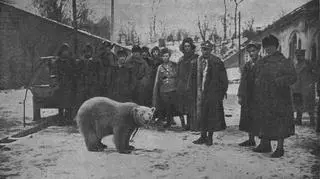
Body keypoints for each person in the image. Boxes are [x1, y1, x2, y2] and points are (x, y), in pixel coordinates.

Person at [251, 35, 296, 158]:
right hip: (265, 97)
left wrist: (279, 81)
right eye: (266, 47)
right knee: (265, 120)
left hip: (280, 98)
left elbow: (293, 77)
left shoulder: (284, 61)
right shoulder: (262, 61)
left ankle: (280, 148)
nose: (268, 49)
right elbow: (256, 75)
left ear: (276, 47)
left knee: (280, 123)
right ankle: (265, 145)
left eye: (271, 47)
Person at [192, 41, 228, 146]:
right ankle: (202, 136)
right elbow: (194, 77)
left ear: (211, 50)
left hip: (213, 93)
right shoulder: (198, 62)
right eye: (203, 49)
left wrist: (222, 92)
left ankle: (210, 137)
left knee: (211, 115)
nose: (205, 51)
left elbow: (224, 79)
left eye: (207, 49)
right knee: (202, 115)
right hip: (201, 92)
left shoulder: (217, 62)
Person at [237, 42, 262, 146]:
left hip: (260, 94)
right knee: (249, 116)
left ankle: (263, 142)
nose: (252, 53)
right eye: (250, 51)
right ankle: (251, 139)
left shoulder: (263, 63)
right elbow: (243, 81)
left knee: (260, 117)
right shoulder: (247, 65)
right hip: (248, 95)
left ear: (258, 51)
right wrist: (240, 95)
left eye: (254, 51)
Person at [176, 37, 199, 130]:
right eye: (185, 46)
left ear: (192, 47)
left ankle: (194, 125)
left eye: (188, 46)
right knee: (184, 106)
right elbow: (178, 73)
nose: (187, 48)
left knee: (192, 106)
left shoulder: (196, 58)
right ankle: (186, 125)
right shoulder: (181, 59)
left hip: (193, 85)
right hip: (182, 85)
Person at [153, 48, 179, 128]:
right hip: (163, 90)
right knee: (166, 106)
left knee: (172, 105)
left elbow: (177, 76)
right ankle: (168, 121)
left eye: (167, 56)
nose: (165, 58)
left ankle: (171, 120)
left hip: (173, 88)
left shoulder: (174, 65)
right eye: (163, 56)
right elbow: (157, 80)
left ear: (169, 56)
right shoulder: (160, 67)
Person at [291, 49, 317, 126]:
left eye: (300, 55)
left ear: (303, 55)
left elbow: (316, 73)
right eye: (297, 55)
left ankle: (312, 120)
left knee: (309, 104)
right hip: (297, 87)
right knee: (298, 104)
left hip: (307, 87)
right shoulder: (295, 64)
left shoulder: (308, 63)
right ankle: (299, 119)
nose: (298, 57)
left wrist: (312, 82)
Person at [55, 43, 76, 125]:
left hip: (69, 83)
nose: (65, 53)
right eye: (64, 51)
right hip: (61, 84)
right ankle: (60, 119)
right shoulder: (58, 61)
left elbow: (74, 70)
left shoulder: (71, 60)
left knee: (69, 102)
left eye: (66, 51)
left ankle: (69, 118)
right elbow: (56, 71)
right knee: (60, 103)